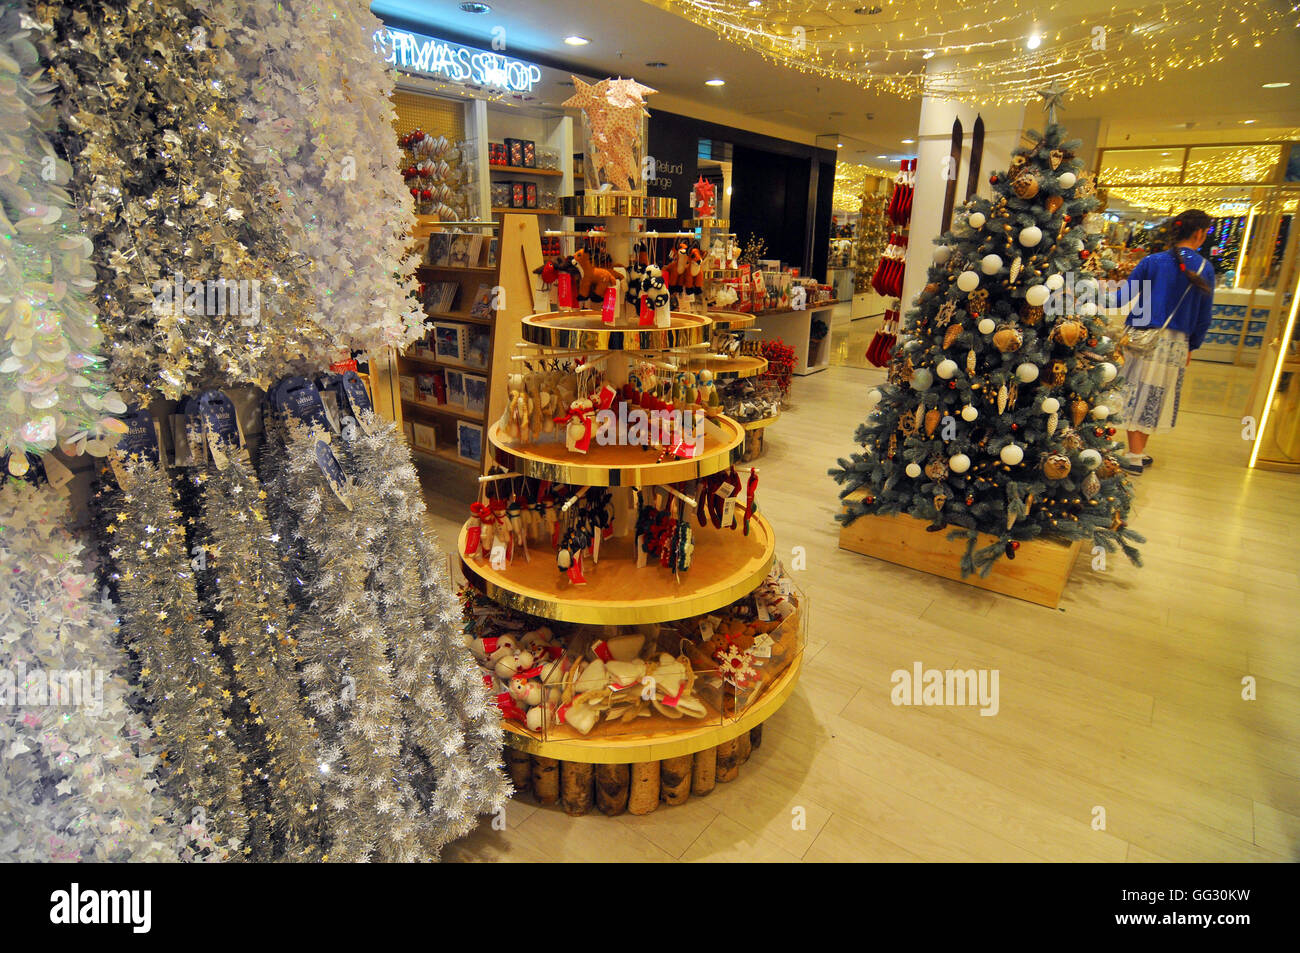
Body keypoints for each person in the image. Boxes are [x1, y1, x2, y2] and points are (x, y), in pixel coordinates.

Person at [1114, 209, 1216, 474]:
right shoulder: (1206, 268)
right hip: (1176, 343)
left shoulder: (1152, 261)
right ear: (1198, 234)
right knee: (1155, 394)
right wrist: (1193, 345)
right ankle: (1136, 454)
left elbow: (1122, 298)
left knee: (1136, 390)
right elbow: (1204, 316)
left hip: (1142, 337)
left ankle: (1135, 452)